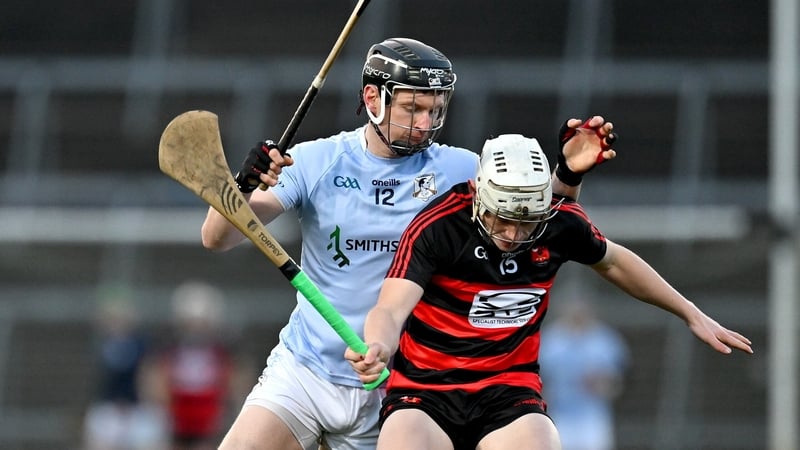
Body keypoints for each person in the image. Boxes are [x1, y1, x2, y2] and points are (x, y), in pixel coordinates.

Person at [201, 37, 616, 450]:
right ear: (373, 97)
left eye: (434, 110)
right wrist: (244, 182)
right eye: (412, 108)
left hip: (406, 388)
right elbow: (217, 237)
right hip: (307, 370)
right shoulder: (314, 161)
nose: (424, 123)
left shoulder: (460, 170)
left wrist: (568, 176)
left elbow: (538, 220)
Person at [345, 133, 753, 450]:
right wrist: (379, 343)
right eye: (503, 219)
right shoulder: (438, 227)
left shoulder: (559, 222)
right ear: (480, 194)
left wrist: (688, 312)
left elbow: (614, 261)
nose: (513, 233)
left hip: (508, 388)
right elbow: (391, 307)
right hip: (424, 390)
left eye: (526, 222)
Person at [145, 281, 247, 450]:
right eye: (191, 322)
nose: (196, 328)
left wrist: (230, 403)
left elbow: (236, 376)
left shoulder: (223, 348)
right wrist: (160, 404)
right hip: (179, 407)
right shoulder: (169, 346)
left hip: (208, 407)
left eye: (201, 322)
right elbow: (156, 374)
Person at [538, 297, 630, 450]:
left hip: (593, 416)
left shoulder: (605, 340)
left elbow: (619, 381)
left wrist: (603, 385)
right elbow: (537, 378)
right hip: (559, 414)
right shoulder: (550, 340)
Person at [83, 288, 168, 450]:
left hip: (137, 408)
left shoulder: (142, 343)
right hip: (110, 407)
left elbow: (148, 375)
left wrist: (149, 401)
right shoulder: (102, 344)